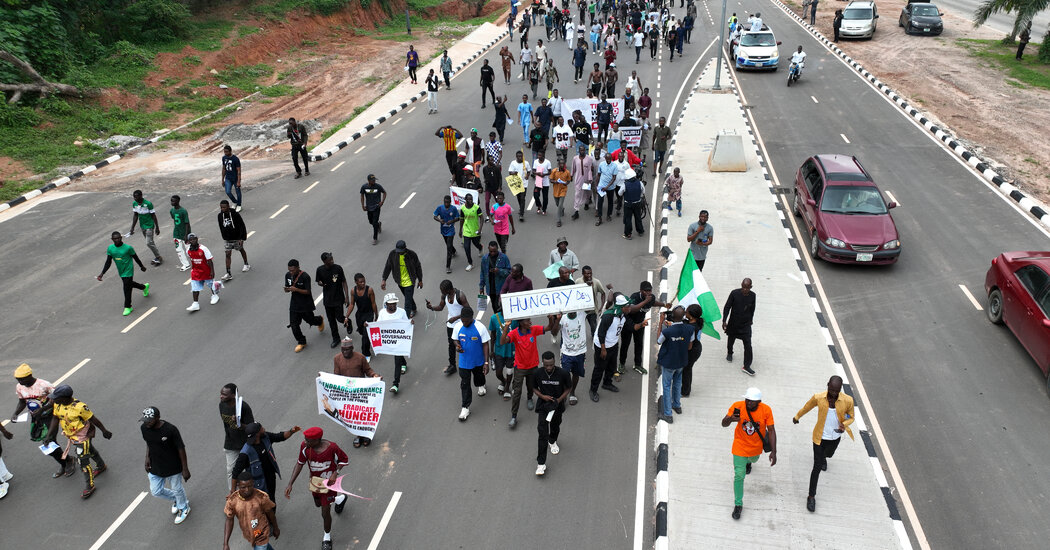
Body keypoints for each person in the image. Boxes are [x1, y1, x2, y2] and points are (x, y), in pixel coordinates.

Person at [793, 375, 855, 513]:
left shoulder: (848, 400)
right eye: (831, 389)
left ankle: (824, 458)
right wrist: (797, 417)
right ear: (827, 385)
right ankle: (811, 496)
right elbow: (806, 407)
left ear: (840, 389)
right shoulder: (818, 397)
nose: (833, 393)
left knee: (829, 455)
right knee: (816, 467)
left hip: (835, 437)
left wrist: (844, 424)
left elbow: (851, 416)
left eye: (836, 391)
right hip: (819, 438)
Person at [284, 427, 349, 550]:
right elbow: (299, 463)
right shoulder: (305, 447)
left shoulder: (332, 448)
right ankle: (340, 499)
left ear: (318, 440)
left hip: (329, 485)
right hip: (315, 483)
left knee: (325, 512)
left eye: (309, 441)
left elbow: (344, 460)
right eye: (306, 440)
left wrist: (336, 472)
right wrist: (290, 483)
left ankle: (327, 537)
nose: (306, 442)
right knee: (318, 504)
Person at [46, 384, 113, 499]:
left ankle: (89, 486)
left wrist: (104, 430)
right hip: (72, 436)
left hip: (83, 436)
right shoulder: (58, 405)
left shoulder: (80, 407)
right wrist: (49, 435)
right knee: (90, 450)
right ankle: (101, 466)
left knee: (83, 462)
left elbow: (93, 419)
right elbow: (55, 418)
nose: (53, 399)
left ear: (65, 398)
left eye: (56, 397)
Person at [722, 387, 776, 520]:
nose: (749, 403)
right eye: (747, 400)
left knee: (753, 459)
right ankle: (738, 504)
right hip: (739, 445)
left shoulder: (766, 410)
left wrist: (774, 451)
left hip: (755, 448)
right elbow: (723, 424)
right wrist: (730, 419)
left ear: (759, 401)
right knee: (739, 476)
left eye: (752, 401)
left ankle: (749, 463)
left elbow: (771, 430)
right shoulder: (737, 406)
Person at [10, 364, 72, 478]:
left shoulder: (44, 385)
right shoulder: (19, 387)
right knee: (47, 443)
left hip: (51, 416)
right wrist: (15, 413)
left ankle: (66, 463)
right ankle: (66, 460)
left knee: (49, 442)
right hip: (37, 418)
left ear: (29, 375)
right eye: (18, 379)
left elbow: (57, 399)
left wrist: (42, 409)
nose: (19, 381)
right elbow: (22, 402)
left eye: (21, 379)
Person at [501, 315, 557, 428]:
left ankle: (530, 398)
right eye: (527, 320)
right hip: (520, 368)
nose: (530, 322)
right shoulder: (515, 333)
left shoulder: (534, 329)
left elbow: (549, 327)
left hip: (533, 366)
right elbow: (502, 341)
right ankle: (514, 416)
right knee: (517, 392)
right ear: (521, 323)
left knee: (531, 386)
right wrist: (506, 327)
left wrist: (550, 318)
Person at [140, 406, 191, 524]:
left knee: (177, 488)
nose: (146, 423)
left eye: (149, 420)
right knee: (156, 491)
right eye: (145, 420)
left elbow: (181, 448)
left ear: (158, 418)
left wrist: (185, 468)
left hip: (173, 466)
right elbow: (149, 442)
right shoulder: (144, 428)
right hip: (155, 465)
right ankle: (178, 499)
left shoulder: (170, 430)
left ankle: (184, 507)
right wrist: (147, 457)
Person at [231, 422, 301, 501]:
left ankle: (272, 511)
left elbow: (279, 437)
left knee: (271, 499)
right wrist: (233, 491)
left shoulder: (265, 437)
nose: (263, 428)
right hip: (257, 483)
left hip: (270, 477)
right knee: (262, 504)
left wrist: (291, 431)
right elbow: (236, 472)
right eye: (261, 428)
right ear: (257, 434)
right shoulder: (245, 453)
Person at [332, 336, 382, 444]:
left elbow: (368, 371)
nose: (345, 352)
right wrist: (323, 378)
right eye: (343, 350)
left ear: (352, 348)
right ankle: (358, 435)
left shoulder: (360, 357)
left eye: (347, 350)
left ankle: (366, 435)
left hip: (361, 392)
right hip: (347, 393)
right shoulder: (337, 359)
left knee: (363, 414)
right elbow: (336, 376)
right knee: (354, 415)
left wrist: (375, 376)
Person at [532, 351, 572, 476]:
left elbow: (568, 388)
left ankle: (552, 441)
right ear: (542, 363)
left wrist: (559, 400)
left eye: (551, 365)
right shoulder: (537, 373)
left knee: (555, 426)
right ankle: (541, 464)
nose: (549, 368)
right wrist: (542, 396)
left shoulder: (563, 373)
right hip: (544, 405)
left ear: (555, 362)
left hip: (557, 405)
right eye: (546, 365)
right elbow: (533, 388)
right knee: (542, 433)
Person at [619, 280, 668, 377]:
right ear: (641, 290)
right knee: (625, 344)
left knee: (639, 344)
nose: (648, 293)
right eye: (646, 291)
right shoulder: (635, 297)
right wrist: (645, 301)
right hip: (628, 323)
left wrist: (664, 304)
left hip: (641, 323)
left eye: (650, 290)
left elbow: (653, 303)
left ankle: (637, 365)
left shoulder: (651, 298)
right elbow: (633, 309)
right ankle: (621, 364)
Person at [590, 293, 631, 402]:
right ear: (622, 307)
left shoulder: (623, 315)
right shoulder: (609, 316)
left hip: (613, 344)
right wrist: (603, 349)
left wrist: (641, 325)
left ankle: (607, 383)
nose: (630, 308)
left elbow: (630, 326)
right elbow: (601, 333)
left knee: (612, 366)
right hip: (602, 346)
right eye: (628, 306)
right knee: (599, 368)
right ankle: (593, 390)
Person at [451, 306, 491, 421]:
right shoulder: (458, 326)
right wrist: (457, 346)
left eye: (466, 321)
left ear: (471, 318)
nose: (464, 323)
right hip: (464, 362)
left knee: (479, 379)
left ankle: (481, 385)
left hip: (478, 361)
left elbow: (485, 344)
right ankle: (465, 407)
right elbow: (454, 339)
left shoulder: (480, 327)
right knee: (465, 383)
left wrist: (486, 362)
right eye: (462, 320)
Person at [224, 471, 280, 550]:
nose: (247, 490)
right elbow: (229, 520)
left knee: (261, 547)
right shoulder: (233, 501)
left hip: (261, 534)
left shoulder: (261, 497)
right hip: (249, 533)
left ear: (253, 483)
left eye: (249, 486)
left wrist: (275, 527)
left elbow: (270, 513)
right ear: (238, 485)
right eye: (243, 487)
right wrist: (226, 543)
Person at [97, 231, 149, 317]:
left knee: (126, 287)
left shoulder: (128, 248)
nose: (117, 240)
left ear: (121, 238)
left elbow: (136, 258)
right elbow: (108, 262)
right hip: (121, 271)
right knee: (129, 284)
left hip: (128, 270)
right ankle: (144, 287)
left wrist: (141, 266)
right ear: (112, 239)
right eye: (115, 239)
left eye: (118, 238)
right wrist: (102, 273)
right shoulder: (110, 248)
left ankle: (128, 306)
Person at [656, 307, 692, 423]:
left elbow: (658, 341)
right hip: (681, 362)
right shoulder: (690, 329)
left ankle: (668, 414)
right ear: (683, 317)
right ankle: (677, 405)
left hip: (669, 363)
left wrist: (661, 322)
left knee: (666, 386)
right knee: (677, 383)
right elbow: (689, 346)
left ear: (672, 316)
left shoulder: (667, 331)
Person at [428, 280, 470, 375]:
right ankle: (452, 365)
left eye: (442, 290)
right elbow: (440, 307)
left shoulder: (460, 296)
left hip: (462, 324)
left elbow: (468, 310)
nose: (441, 292)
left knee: (465, 343)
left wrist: (455, 318)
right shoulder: (444, 296)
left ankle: (468, 362)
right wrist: (431, 307)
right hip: (450, 325)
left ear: (448, 289)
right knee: (451, 344)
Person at [374, 293, 411, 393]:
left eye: (394, 303)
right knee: (398, 356)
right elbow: (377, 325)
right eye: (391, 304)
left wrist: (410, 323)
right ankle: (404, 363)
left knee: (397, 360)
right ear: (386, 304)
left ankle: (395, 384)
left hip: (399, 340)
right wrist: (368, 325)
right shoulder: (382, 313)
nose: (393, 305)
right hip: (390, 341)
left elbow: (406, 324)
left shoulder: (401, 312)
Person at [285, 259, 324, 353]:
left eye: (292, 270)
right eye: (289, 270)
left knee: (310, 320)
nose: (291, 272)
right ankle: (301, 342)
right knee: (294, 325)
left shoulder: (305, 276)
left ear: (298, 268)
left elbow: (308, 291)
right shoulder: (288, 275)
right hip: (294, 304)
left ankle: (319, 320)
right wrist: (287, 289)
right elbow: (287, 287)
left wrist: (296, 289)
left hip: (305, 304)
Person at [220, 383, 255, 482]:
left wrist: (239, 424)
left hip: (245, 444)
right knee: (231, 470)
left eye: (224, 394)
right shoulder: (221, 405)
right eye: (221, 393)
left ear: (233, 395)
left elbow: (252, 427)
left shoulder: (244, 407)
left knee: (250, 469)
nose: (221, 396)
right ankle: (233, 495)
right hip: (231, 444)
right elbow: (226, 424)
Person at [551, 309, 587, 405]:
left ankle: (572, 392)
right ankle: (563, 394)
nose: (572, 312)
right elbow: (554, 333)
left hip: (580, 353)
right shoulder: (562, 318)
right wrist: (557, 320)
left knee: (576, 374)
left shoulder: (582, 313)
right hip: (567, 353)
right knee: (564, 375)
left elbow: (596, 306)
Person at [381, 240, 423, 318]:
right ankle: (414, 308)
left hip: (410, 282)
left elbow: (418, 267)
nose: (399, 253)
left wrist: (420, 280)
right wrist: (384, 279)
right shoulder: (393, 254)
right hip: (399, 281)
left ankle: (405, 321)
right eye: (398, 251)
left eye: (401, 251)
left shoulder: (412, 254)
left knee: (407, 303)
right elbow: (388, 266)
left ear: (405, 249)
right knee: (408, 297)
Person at [723, 278, 757, 375]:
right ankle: (730, 352)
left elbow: (752, 309)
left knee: (748, 345)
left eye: (747, 288)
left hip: (746, 325)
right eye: (743, 287)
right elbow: (727, 307)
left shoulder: (753, 296)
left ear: (751, 287)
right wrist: (724, 320)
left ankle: (747, 366)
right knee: (731, 339)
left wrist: (751, 320)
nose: (745, 289)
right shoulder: (734, 293)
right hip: (734, 323)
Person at [316, 253, 350, 348]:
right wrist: (320, 283)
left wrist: (347, 296)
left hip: (338, 298)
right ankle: (336, 338)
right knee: (331, 320)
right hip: (327, 300)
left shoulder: (338, 268)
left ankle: (348, 321)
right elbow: (318, 281)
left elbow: (344, 281)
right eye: (330, 260)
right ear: (324, 261)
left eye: (332, 259)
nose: (332, 261)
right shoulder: (320, 270)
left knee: (339, 318)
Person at [488, 302, 517, 401]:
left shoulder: (515, 318)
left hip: (511, 350)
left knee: (509, 371)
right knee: (498, 373)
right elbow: (493, 335)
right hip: (499, 350)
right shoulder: (494, 318)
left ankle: (507, 388)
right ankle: (504, 381)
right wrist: (492, 351)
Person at [185, 233, 220, 312]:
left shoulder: (203, 249)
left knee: (211, 284)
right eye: (191, 240)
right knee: (194, 287)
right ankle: (195, 304)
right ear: (189, 241)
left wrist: (212, 271)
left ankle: (215, 295)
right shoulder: (188, 250)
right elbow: (191, 258)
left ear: (197, 239)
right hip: (196, 271)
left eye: (194, 239)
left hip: (206, 270)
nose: (193, 241)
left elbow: (210, 260)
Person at [347, 274, 379, 358]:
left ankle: (366, 354)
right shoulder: (353, 291)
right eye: (360, 282)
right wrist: (347, 316)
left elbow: (373, 303)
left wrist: (376, 315)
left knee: (365, 335)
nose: (363, 283)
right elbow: (352, 304)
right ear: (356, 282)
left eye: (364, 281)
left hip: (369, 315)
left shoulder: (369, 290)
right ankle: (368, 339)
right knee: (362, 332)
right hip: (359, 315)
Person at [128, 189, 163, 266]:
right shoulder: (134, 204)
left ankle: (158, 257)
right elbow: (135, 215)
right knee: (151, 242)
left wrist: (157, 227)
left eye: (136, 197)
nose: (135, 199)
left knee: (148, 242)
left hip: (149, 226)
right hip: (142, 226)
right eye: (134, 197)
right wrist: (132, 228)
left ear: (141, 196)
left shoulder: (148, 204)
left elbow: (153, 215)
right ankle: (157, 257)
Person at [217, 200, 250, 281]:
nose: (222, 209)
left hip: (237, 237)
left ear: (228, 206)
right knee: (227, 254)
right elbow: (221, 227)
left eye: (224, 207)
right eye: (221, 207)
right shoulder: (220, 215)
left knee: (241, 249)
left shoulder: (235, 214)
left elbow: (242, 225)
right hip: (227, 238)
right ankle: (228, 273)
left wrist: (242, 238)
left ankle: (246, 264)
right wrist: (224, 236)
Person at [575, 265, 611, 335]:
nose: (589, 275)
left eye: (590, 273)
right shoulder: (578, 281)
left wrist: (602, 306)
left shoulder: (596, 282)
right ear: (583, 274)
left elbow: (603, 293)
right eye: (587, 273)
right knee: (579, 326)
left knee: (594, 327)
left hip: (592, 311)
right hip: (581, 310)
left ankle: (594, 338)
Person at [433, 195, 460, 274]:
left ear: (450, 202)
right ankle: (454, 251)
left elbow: (458, 218)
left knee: (448, 248)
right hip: (443, 230)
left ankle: (448, 266)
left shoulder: (453, 209)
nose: (446, 204)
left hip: (451, 230)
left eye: (448, 202)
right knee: (448, 244)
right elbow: (434, 216)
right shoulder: (440, 208)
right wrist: (439, 220)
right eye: (445, 202)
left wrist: (451, 222)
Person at [682, 304, 704, 397]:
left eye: (686, 312)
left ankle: (685, 392)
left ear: (691, 315)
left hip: (692, 351)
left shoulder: (691, 327)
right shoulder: (695, 322)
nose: (685, 313)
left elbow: (688, 346)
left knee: (686, 370)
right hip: (696, 348)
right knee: (687, 369)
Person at [459, 193, 484, 270]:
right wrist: (460, 230)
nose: (470, 201)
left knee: (476, 243)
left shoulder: (476, 207)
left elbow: (482, 218)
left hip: (475, 230)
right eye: (469, 199)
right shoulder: (462, 208)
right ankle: (470, 263)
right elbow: (462, 219)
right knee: (466, 247)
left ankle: (480, 247)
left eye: (471, 199)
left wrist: (480, 229)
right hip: (466, 230)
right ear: (465, 200)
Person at [360, 174, 387, 246]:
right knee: (370, 221)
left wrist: (382, 202)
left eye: (374, 180)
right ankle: (378, 225)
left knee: (374, 223)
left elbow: (384, 193)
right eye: (372, 180)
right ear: (368, 181)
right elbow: (362, 196)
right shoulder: (364, 187)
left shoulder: (378, 186)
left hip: (376, 207)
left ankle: (375, 238)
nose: (374, 181)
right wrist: (363, 205)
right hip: (369, 207)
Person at [570, 144, 595, 219]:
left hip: (587, 179)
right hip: (578, 179)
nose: (582, 151)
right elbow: (573, 168)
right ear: (579, 151)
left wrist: (590, 179)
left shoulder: (589, 159)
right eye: (581, 150)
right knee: (577, 194)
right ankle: (576, 211)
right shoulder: (575, 158)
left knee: (587, 193)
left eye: (583, 150)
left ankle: (586, 203)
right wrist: (571, 176)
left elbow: (590, 169)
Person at [620, 168, 645, 240]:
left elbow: (620, 193)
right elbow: (643, 191)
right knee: (638, 217)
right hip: (637, 203)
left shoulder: (625, 185)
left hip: (628, 204)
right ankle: (640, 231)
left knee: (628, 219)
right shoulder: (640, 183)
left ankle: (628, 234)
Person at [170, 195, 191, 271]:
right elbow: (173, 218)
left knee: (188, 250)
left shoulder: (183, 211)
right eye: (171, 201)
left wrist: (186, 235)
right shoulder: (172, 211)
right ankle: (186, 264)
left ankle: (195, 262)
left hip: (184, 233)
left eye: (173, 201)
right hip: (176, 233)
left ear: (178, 201)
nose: (172, 202)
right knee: (178, 250)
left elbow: (187, 224)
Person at [507, 149, 530, 221]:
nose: (520, 158)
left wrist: (527, 176)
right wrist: (513, 173)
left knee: (522, 198)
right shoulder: (513, 163)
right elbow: (510, 172)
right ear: (516, 157)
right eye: (518, 157)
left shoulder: (526, 163)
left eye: (521, 156)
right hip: (516, 183)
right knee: (519, 197)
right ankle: (521, 207)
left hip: (524, 183)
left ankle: (521, 214)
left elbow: (529, 170)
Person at [221, 145, 243, 211]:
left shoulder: (235, 159)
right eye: (224, 152)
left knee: (238, 192)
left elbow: (239, 170)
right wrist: (222, 179)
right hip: (228, 178)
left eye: (227, 152)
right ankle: (235, 202)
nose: (225, 153)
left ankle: (239, 205)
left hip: (235, 178)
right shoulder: (224, 158)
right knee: (228, 191)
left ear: (230, 151)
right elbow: (224, 169)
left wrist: (239, 181)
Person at [550, 159, 572, 225]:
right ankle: (562, 209)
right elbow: (551, 180)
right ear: (558, 164)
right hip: (556, 190)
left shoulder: (567, 172)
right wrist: (555, 182)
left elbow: (568, 180)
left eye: (563, 164)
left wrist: (566, 183)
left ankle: (558, 220)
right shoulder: (554, 171)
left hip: (563, 190)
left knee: (559, 205)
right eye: (561, 164)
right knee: (557, 204)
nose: (562, 165)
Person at [532, 149, 552, 215]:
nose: (538, 156)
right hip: (538, 181)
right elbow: (533, 171)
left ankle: (544, 209)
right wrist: (537, 173)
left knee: (545, 197)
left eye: (540, 155)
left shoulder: (547, 162)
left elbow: (550, 172)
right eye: (538, 155)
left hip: (545, 182)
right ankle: (539, 206)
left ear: (543, 155)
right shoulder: (535, 162)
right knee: (536, 195)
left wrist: (544, 174)